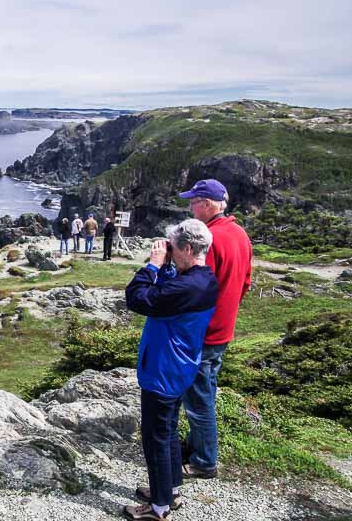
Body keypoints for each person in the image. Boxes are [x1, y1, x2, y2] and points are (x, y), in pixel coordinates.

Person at [124, 219, 218, 521]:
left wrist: (152, 265)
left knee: (156, 438)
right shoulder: (204, 280)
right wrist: (167, 267)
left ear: (188, 249)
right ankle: (172, 489)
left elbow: (137, 298)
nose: (170, 254)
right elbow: (169, 290)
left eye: (174, 249)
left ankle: (159, 507)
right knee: (169, 431)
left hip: (163, 370)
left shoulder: (186, 286)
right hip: (180, 366)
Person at [177, 179, 253, 478]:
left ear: (207, 204)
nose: (190, 207)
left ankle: (204, 461)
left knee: (199, 399)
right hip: (222, 328)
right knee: (203, 389)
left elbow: (195, 287)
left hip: (203, 331)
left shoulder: (208, 238)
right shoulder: (239, 234)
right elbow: (245, 282)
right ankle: (196, 445)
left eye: (194, 201)